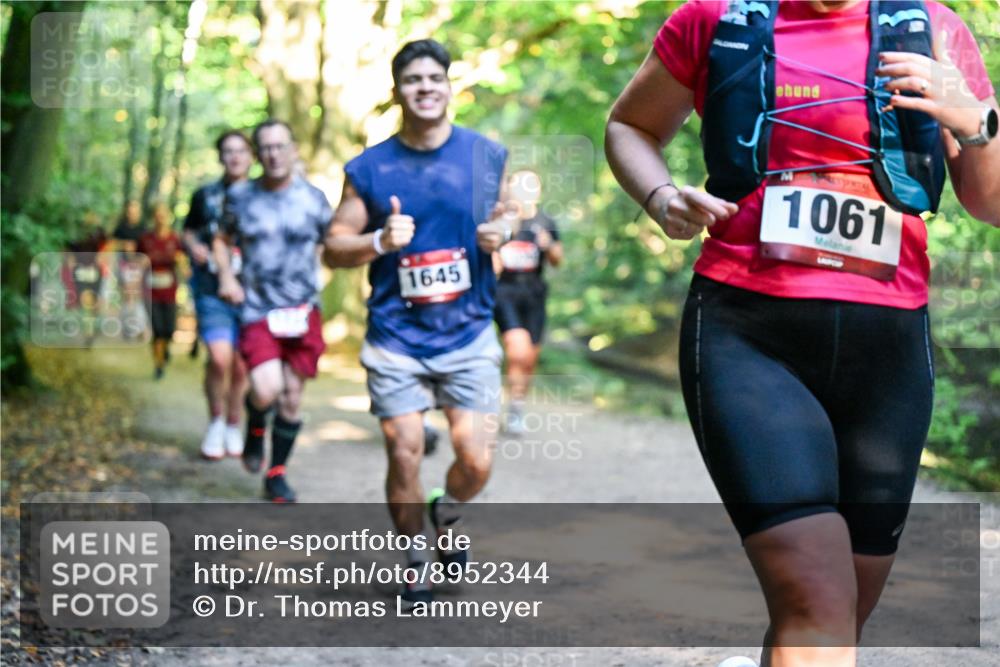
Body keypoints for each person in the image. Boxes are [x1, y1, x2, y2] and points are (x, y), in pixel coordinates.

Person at [605, 1, 998, 666]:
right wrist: (661, 196)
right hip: (749, 334)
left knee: (840, 610)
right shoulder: (713, 18)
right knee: (817, 603)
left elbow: (990, 203)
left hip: (888, 351)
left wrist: (976, 122)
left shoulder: (932, 27)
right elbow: (628, 127)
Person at [324, 39, 510, 606]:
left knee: (476, 460)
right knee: (404, 449)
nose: (425, 87)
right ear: (398, 90)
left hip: (469, 330)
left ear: (449, 86)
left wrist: (503, 230)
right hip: (397, 337)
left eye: (435, 77)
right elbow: (334, 247)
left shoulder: (484, 154)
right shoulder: (371, 167)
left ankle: (446, 511)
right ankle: (414, 556)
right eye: (412, 80)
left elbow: (508, 212)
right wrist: (378, 240)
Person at [215, 119, 334, 503]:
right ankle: (254, 424)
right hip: (258, 309)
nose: (273, 154)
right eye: (265, 147)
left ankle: (276, 473)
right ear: (257, 154)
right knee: (266, 388)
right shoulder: (241, 197)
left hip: (303, 310)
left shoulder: (314, 199)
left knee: (292, 397)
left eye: (280, 146)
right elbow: (220, 238)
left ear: (293, 150)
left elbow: (332, 243)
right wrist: (227, 278)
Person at [183, 130, 253, 460]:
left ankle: (233, 422)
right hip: (211, 288)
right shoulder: (205, 195)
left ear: (251, 155)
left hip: (254, 292)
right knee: (219, 358)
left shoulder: (263, 194)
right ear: (220, 156)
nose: (235, 157)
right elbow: (188, 230)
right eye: (229, 151)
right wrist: (193, 245)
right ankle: (215, 420)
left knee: (241, 366)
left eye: (241, 151)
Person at [492, 169, 563, 435]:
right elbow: (489, 256)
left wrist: (548, 246)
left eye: (529, 186)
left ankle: (516, 408)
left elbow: (558, 259)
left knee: (529, 358)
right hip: (505, 293)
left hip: (534, 294)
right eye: (518, 186)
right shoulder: (503, 222)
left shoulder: (545, 221)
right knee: (517, 348)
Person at [137, 203, 184, 380]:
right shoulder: (145, 239)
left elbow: (182, 259)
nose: (160, 218)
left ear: (168, 216)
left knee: (168, 330)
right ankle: (158, 365)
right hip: (150, 291)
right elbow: (136, 260)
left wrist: (183, 264)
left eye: (163, 214)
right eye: (157, 214)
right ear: (153, 217)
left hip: (169, 291)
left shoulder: (174, 239)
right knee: (157, 329)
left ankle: (165, 349)